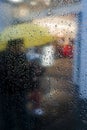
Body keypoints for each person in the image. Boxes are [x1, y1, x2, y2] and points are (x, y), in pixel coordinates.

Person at [0, 39, 32, 130]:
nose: (21, 47)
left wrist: (29, 68)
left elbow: (26, 74)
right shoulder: (2, 56)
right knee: (7, 115)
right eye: (19, 45)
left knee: (22, 114)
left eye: (21, 45)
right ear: (12, 45)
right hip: (6, 92)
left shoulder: (22, 55)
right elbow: (4, 74)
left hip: (20, 90)